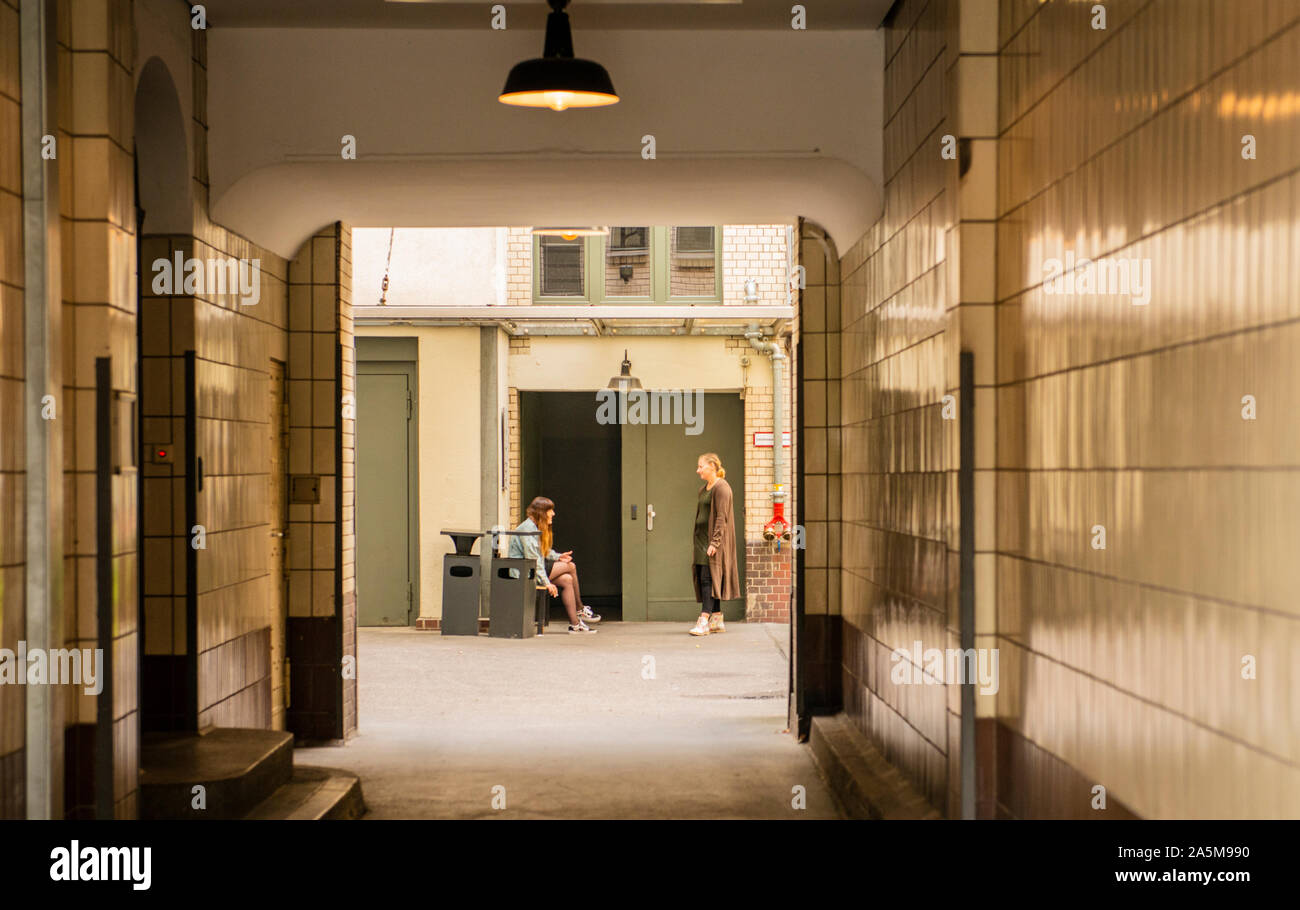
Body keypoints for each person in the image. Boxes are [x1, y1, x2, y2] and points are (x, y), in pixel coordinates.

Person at [509, 496, 601, 634]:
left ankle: (575, 625)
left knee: (567, 580)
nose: (553, 513)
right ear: (541, 512)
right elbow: (534, 559)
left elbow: (542, 551)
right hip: (524, 572)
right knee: (571, 566)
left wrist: (558, 556)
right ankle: (580, 609)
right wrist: (546, 583)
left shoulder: (534, 526)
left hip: (531, 568)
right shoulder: (528, 529)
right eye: (550, 510)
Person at [688, 453, 740, 636]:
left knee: (707, 578)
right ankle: (716, 619)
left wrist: (715, 542)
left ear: (711, 466)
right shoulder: (704, 489)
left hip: (713, 541)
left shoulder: (722, 488)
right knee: (706, 576)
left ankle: (704, 620)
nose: (698, 470)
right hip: (702, 539)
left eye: (700, 466)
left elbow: (722, 517)